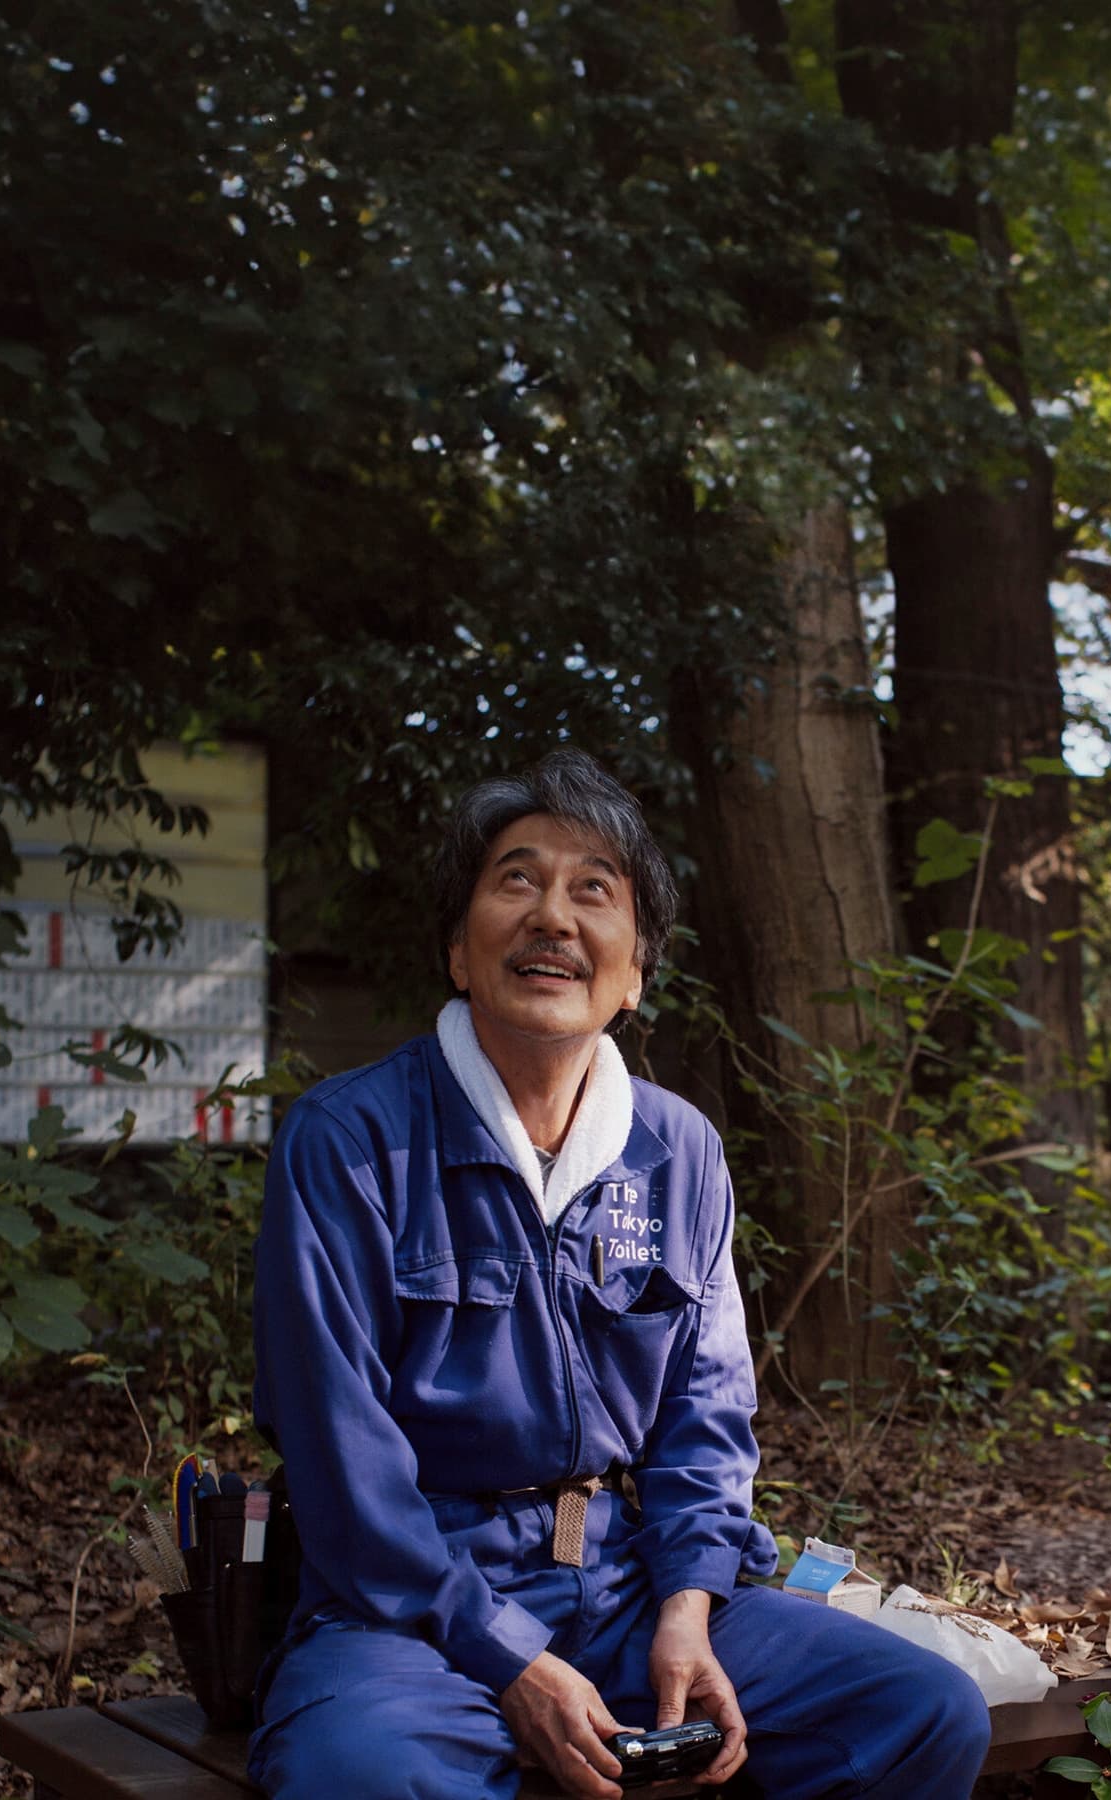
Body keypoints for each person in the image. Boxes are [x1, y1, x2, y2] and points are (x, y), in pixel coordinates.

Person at [249, 749, 991, 1800]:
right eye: (517, 880)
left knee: (920, 1711)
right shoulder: (351, 1141)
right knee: (358, 1769)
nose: (553, 917)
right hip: (409, 1608)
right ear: (458, 950)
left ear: (635, 972)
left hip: (623, 1583)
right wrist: (509, 1659)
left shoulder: (677, 1151)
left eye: (593, 890)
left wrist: (689, 1605)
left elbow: (706, 1416)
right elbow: (340, 1463)